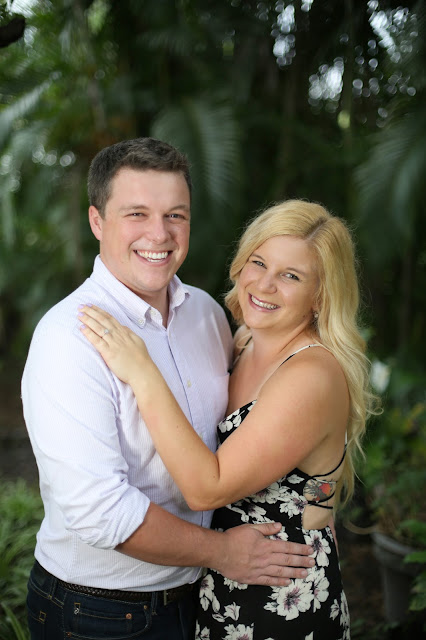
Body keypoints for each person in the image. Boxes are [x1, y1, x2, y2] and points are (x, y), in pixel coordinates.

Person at [21, 138, 314, 640]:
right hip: (100, 613)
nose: (159, 234)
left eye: (175, 215)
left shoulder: (206, 314)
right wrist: (223, 552)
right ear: (97, 221)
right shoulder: (68, 337)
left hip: (202, 598)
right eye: (137, 213)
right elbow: (99, 512)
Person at [78, 199, 378, 639]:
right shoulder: (243, 343)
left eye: (291, 276)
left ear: (321, 296)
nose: (266, 284)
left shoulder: (311, 374)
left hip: (281, 599)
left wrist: (143, 372)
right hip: (225, 585)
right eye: (259, 262)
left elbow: (207, 488)